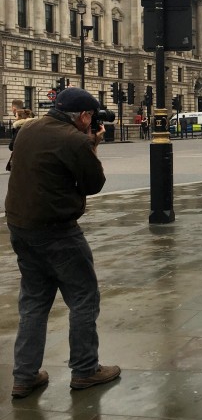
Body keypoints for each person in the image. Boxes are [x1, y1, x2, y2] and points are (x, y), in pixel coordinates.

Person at [5, 87, 121, 399]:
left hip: (20, 226)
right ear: (83, 116)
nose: (92, 122)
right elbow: (94, 184)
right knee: (84, 297)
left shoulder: (28, 129)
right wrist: (92, 145)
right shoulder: (75, 140)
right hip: (57, 230)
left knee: (33, 301)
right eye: (91, 117)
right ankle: (85, 370)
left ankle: (24, 376)